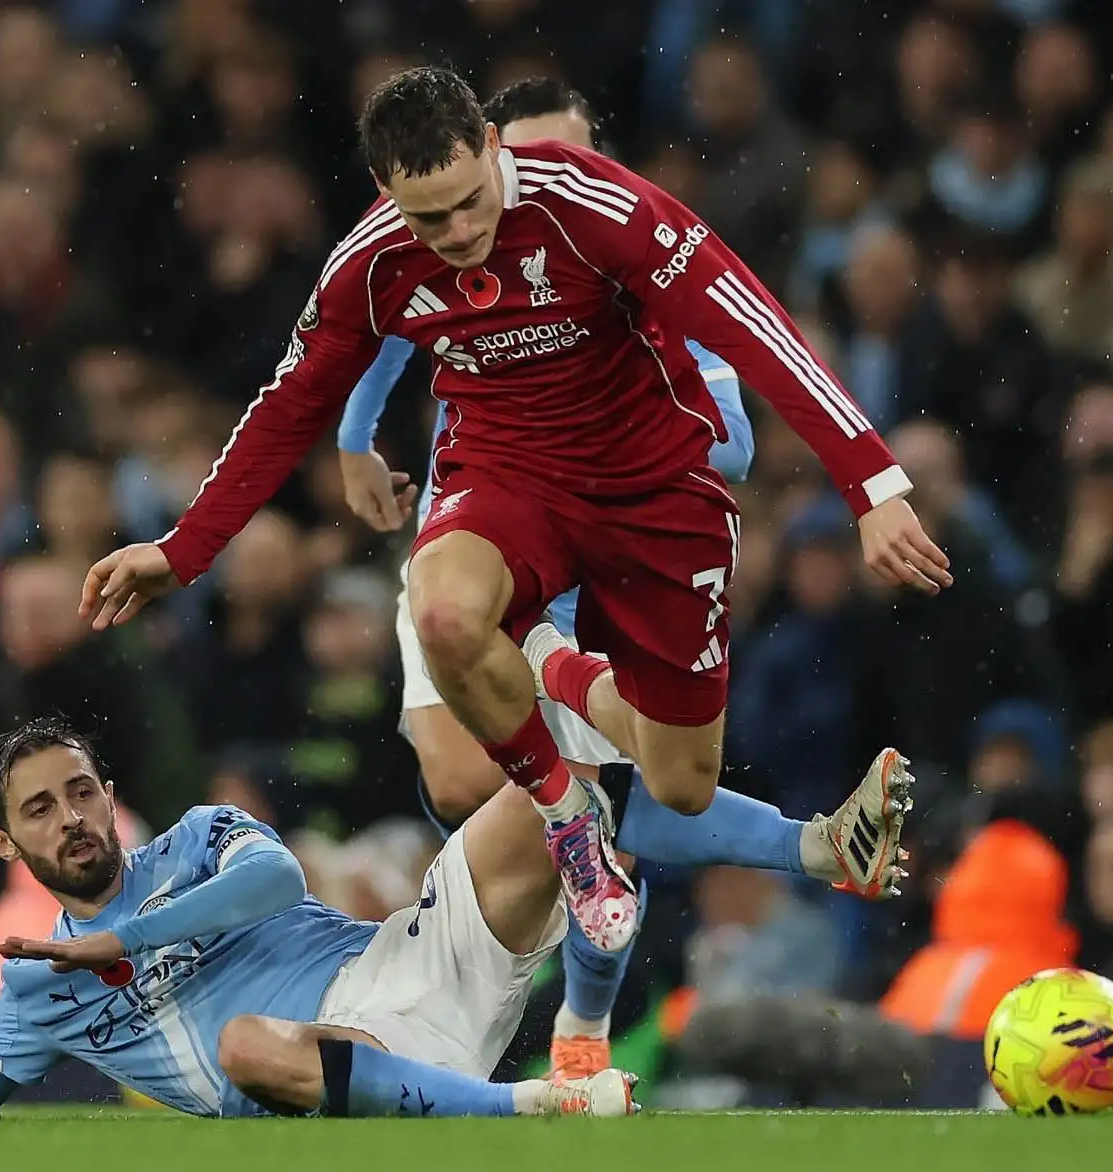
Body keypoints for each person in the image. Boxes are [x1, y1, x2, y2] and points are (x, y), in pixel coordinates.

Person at [79, 66, 948, 957]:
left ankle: (565, 675)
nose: (457, 234)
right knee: (444, 614)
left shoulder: (597, 204)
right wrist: (185, 550)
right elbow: (288, 403)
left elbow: (753, 324)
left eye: (467, 203)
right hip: (507, 478)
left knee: (679, 782)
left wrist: (872, 487)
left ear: (494, 147)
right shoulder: (373, 261)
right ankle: (568, 823)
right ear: (385, 192)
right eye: (429, 217)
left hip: (652, 489)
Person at [0, 717, 913, 1123]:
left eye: (82, 791)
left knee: (562, 791)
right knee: (250, 1047)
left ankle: (818, 847)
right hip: (328, 1064)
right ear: (9, 845)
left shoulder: (203, 837)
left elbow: (273, 889)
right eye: (42, 812)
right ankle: (543, 1101)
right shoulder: (38, 985)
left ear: (109, 793)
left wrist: (121, 941)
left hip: (407, 962)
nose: (73, 819)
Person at [336, 77, 757, 1084]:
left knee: (650, 782)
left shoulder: (630, 258)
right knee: (467, 778)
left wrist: (626, 441)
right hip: (484, 534)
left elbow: (734, 434)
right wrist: (355, 440)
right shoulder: (445, 246)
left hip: (607, 558)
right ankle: (582, 866)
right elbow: (378, 330)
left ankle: (583, 1019)